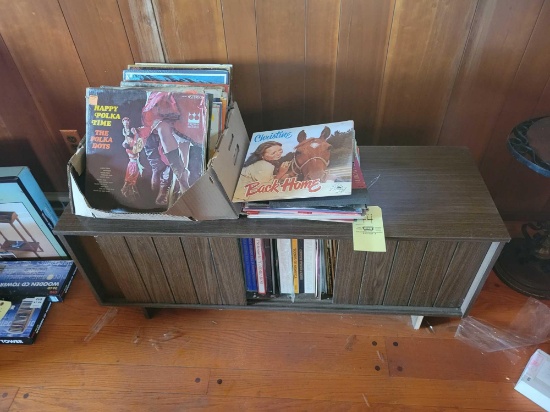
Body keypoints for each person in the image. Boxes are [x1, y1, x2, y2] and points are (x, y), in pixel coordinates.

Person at [120, 117, 143, 202]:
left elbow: (135, 140)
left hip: (133, 161)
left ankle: (130, 192)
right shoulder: (129, 145)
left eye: (127, 122)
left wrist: (135, 134)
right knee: (130, 178)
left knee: (131, 179)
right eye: (124, 122)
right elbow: (131, 141)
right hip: (133, 162)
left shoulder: (131, 133)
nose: (126, 124)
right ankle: (125, 190)